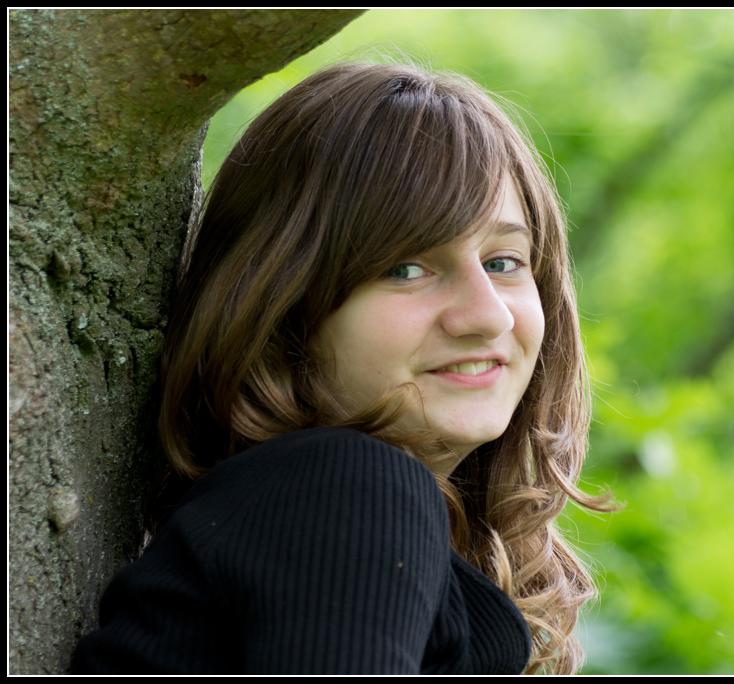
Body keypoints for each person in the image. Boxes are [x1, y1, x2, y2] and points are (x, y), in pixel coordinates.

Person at [72, 61, 608, 675]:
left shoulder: (287, 519)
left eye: (505, 261)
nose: (488, 317)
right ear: (282, 306)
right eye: (406, 268)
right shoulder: (347, 486)